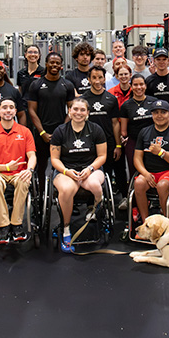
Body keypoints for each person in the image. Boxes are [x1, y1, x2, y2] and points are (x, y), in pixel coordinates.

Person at [50, 98, 108, 252]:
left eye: (83, 110)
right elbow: (54, 159)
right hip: (66, 170)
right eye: (75, 109)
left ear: (88, 113)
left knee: (95, 185)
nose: (78, 113)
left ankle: (95, 211)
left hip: (90, 169)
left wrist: (90, 169)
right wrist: (66, 171)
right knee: (68, 189)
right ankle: (67, 228)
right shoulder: (60, 131)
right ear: (69, 111)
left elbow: (102, 156)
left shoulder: (96, 129)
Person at [0, 98, 37, 244]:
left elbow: (32, 156)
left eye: (11, 107)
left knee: (25, 180)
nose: (8, 110)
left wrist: (29, 170)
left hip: (19, 173)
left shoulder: (25, 132)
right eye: (4, 107)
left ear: (15, 111)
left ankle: (16, 224)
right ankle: (3, 226)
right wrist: (5, 168)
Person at [26, 52, 76, 193]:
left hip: (61, 134)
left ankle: (60, 195)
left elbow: (71, 109)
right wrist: (42, 132)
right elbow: (31, 111)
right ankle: (41, 196)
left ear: (61, 66)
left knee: (60, 167)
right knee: (40, 167)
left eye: (57, 63)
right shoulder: (36, 85)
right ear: (46, 64)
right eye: (51, 62)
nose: (54, 65)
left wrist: (61, 130)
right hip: (41, 134)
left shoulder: (67, 85)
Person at [133, 99, 169, 223]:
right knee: (139, 183)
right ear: (152, 115)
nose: (159, 116)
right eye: (156, 112)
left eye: (163, 112)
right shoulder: (144, 132)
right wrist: (146, 174)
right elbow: (137, 158)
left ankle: (167, 221)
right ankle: (146, 223)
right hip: (150, 172)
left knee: (162, 185)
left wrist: (161, 153)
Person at [82, 66, 124, 200]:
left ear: (105, 79)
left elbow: (115, 123)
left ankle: (109, 199)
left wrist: (118, 145)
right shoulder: (84, 100)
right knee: (91, 175)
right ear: (88, 80)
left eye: (100, 77)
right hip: (89, 143)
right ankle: (92, 204)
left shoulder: (111, 98)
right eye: (94, 77)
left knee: (108, 172)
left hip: (108, 141)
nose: (97, 81)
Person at [120, 74, 155, 193]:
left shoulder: (153, 102)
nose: (138, 87)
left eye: (141, 84)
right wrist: (123, 139)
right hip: (134, 142)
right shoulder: (126, 106)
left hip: (152, 142)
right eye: (135, 84)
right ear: (131, 86)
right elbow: (123, 130)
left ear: (145, 86)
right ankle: (134, 204)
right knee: (134, 171)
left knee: (153, 170)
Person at [146, 48, 169, 124]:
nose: (161, 62)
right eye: (158, 59)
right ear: (154, 61)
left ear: (168, 61)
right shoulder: (149, 81)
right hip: (155, 121)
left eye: (164, 59)